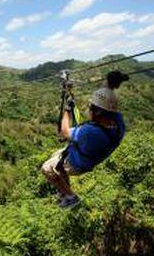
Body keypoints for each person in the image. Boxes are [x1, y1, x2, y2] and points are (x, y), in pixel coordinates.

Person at [41, 70, 129, 208]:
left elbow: (63, 132)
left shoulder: (90, 133)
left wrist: (67, 110)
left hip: (78, 164)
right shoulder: (118, 122)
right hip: (90, 156)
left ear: (98, 112)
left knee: (47, 168)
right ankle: (65, 191)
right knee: (55, 155)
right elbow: (107, 95)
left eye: (90, 108)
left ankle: (71, 197)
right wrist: (111, 83)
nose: (88, 110)